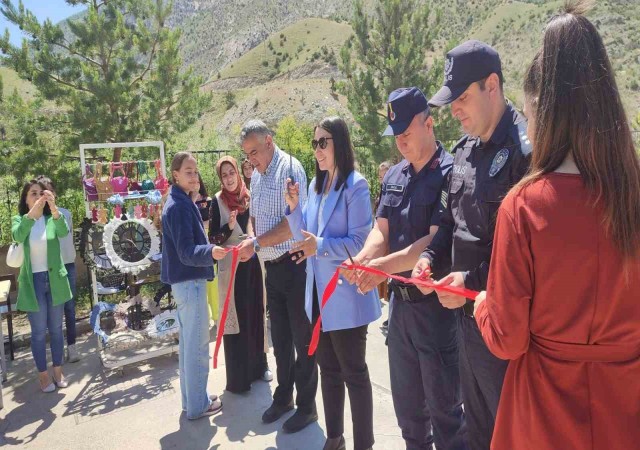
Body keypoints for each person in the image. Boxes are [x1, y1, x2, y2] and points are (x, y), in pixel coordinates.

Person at [473, 3, 640, 449]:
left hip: (543, 417)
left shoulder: (524, 207)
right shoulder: (632, 196)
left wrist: (483, 306)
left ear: (544, 113)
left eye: (528, 116)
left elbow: (508, 340)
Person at [412, 40, 531, 450]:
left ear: (492, 85)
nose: (455, 110)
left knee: (513, 433)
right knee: (478, 432)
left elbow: (525, 258)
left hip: (507, 330)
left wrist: (470, 282)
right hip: (466, 323)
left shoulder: (526, 152)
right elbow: (448, 222)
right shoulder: (463, 152)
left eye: (462, 97)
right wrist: (429, 258)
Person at [343, 87, 465, 450]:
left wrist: (380, 266)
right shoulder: (394, 175)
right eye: (395, 135)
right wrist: (362, 259)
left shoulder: (450, 173)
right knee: (409, 415)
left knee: (447, 416)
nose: (400, 142)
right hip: (400, 312)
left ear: (429, 124)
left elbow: (431, 241)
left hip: (436, 311)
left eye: (406, 133)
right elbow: (381, 232)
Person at [284, 117, 381, 450]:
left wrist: (321, 246)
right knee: (328, 370)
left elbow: (359, 243)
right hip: (318, 297)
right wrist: (295, 209)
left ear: (339, 142)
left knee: (354, 373)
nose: (317, 149)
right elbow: (303, 237)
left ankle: (363, 444)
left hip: (346, 297)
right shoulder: (314, 186)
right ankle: (334, 438)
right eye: (314, 143)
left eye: (322, 142)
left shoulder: (356, 185)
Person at [237, 119, 318, 433]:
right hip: (272, 268)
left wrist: (255, 243)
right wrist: (250, 239)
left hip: (295, 266)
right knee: (281, 341)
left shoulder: (290, 169)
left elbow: (292, 224)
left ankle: (308, 406)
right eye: (247, 154)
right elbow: (254, 218)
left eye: (254, 151)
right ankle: (284, 397)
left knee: (303, 339)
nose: (251, 159)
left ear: (269, 141)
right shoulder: (257, 176)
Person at [161, 151, 222, 420]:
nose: (194, 176)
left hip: (185, 284)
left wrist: (193, 200)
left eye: (195, 171)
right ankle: (198, 406)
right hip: (191, 282)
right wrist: (211, 251)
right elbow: (186, 251)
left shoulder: (180, 201)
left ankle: (193, 400)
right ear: (175, 175)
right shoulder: (178, 206)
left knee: (188, 346)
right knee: (196, 348)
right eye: (188, 171)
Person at [209, 155, 271, 393]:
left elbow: (256, 225)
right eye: (224, 175)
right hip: (232, 268)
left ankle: (260, 366)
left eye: (231, 173)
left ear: (237, 172)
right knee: (236, 320)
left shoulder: (249, 196)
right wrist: (229, 227)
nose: (229, 178)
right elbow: (212, 238)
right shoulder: (217, 202)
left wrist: (252, 239)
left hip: (252, 264)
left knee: (255, 313)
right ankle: (239, 378)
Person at [12, 179, 72, 392]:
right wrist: (32, 215)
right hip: (34, 282)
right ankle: (43, 375)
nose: (38, 197)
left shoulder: (51, 219)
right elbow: (17, 235)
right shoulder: (20, 219)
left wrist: (53, 207)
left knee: (56, 329)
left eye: (40, 193)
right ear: (26, 199)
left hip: (54, 279)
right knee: (38, 332)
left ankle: (57, 370)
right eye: (33, 194)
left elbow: (63, 232)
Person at [35, 176, 81, 364]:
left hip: (67, 264)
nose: (46, 196)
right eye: (41, 193)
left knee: (69, 307)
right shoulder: (36, 219)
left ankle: (72, 346)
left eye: (49, 191)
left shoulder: (64, 213)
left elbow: (66, 238)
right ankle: (57, 349)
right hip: (48, 268)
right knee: (50, 312)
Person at [374, 161, 392, 327]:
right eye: (380, 177)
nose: (381, 179)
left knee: (391, 281)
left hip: (391, 243)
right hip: (381, 239)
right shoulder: (382, 191)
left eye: (384, 176)